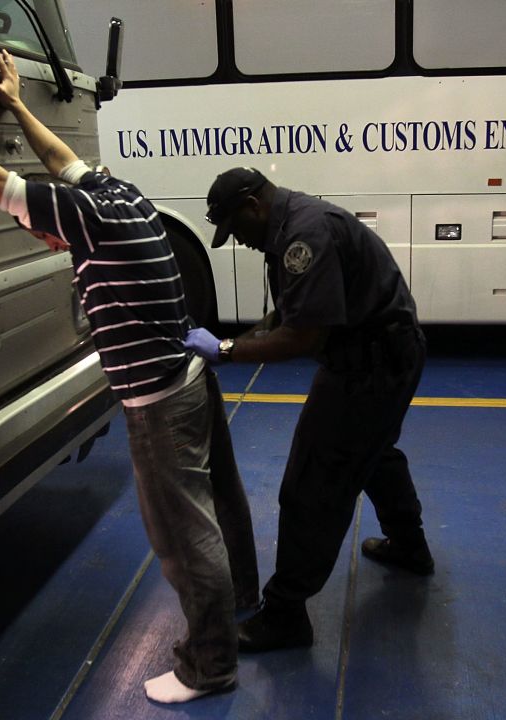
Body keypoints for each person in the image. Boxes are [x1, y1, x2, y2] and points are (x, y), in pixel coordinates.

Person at [0, 52, 258, 703]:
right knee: (219, 504)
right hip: (189, 376)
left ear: (58, 220)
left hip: (159, 402)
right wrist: (18, 105)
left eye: (39, 231)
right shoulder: (115, 193)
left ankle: (211, 664)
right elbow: (61, 160)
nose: (45, 242)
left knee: (182, 536)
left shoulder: (87, 219)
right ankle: (241, 597)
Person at [184, 167, 434, 653]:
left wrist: (227, 349)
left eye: (236, 230)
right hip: (386, 354)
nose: (240, 242)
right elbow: (291, 313)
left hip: (369, 366)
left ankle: (285, 616)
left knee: (310, 486)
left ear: (254, 206)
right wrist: (246, 337)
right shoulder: (291, 222)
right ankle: (410, 546)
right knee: (376, 453)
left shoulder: (303, 236)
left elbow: (302, 337)